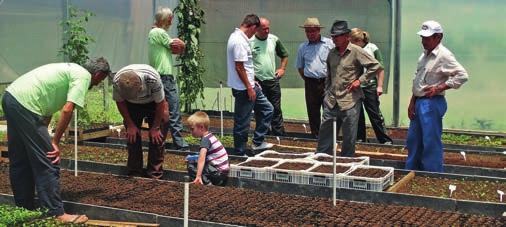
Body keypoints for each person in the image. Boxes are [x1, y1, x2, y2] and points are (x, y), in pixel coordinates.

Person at [1, 57, 110, 224]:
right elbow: (67, 110)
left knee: (20, 160)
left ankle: (24, 208)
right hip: (26, 106)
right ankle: (56, 213)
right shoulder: (83, 76)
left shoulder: (70, 70)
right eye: (101, 80)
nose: (97, 84)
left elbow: (49, 104)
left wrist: (44, 131)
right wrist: (55, 142)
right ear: (98, 74)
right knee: (49, 159)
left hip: (11, 97)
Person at [406, 20, 468, 172]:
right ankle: (412, 171)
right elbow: (418, 80)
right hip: (420, 101)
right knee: (414, 140)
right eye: (422, 38)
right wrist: (412, 101)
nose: (423, 41)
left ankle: (432, 174)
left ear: (438, 37)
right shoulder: (424, 56)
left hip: (432, 102)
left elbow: (462, 75)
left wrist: (440, 86)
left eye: (427, 38)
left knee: (430, 140)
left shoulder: (444, 55)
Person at [316, 20, 382, 157]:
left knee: (349, 136)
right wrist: (326, 93)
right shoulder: (332, 53)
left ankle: (346, 163)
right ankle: (322, 159)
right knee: (325, 132)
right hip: (332, 100)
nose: (334, 39)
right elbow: (329, 74)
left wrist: (360, 80)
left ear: (347, 36)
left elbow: (375, 66)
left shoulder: (356, 51)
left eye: (337, 36)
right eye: (333, 36)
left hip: (350, 100)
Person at [227, 14, 274, 156]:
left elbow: (245, 66)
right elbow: (239, 67)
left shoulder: (238, 37)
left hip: (250, 85)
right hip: (243, 88)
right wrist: (248, 86)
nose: (255, 33)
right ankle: (239, 152)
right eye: (255, 30)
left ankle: (257, 142)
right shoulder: (239, 41)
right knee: (242, 121)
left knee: (268, 109)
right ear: (252, 27)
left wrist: (252, 81)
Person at [112, 64, 169, 179]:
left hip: (153, 103)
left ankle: (154, 173)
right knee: (132, 136)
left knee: (157, 137)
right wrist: (130, 124)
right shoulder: (118, 81)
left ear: (141, 87)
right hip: (131, 106)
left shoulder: (152, 79)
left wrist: (156, 127)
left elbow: (160, 103)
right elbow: (120, 102)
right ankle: (134, 172)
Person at [148, 7, 188, 150]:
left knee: (160, 108)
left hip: (159, 76)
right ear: (164, 20)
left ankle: (160, 139)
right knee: (173, 108)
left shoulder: (154, 33)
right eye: (170, 20)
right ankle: (179, 143)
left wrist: (180, 47)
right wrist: (184, 45)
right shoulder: (159, 32)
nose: (171, 23)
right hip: (164, 77)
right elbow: (176, 47)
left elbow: (174, 50)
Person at [349, 28, 393, 144]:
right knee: (357, 114)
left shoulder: (372, 48)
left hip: (369, 86)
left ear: (358, 40)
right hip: (355, 87)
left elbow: (380, 68)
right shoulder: (351, 49)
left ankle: (384, 140)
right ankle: (360, 138)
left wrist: (380, 86)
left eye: (352, 41)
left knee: (374, 113)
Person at [295, 17, 335, 138]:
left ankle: (329, 136)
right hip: (311, 83)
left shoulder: (329, 44)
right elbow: (300, 67)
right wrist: (308, 78)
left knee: (329, 109)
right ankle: (316, 136)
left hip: (327, 82)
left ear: (318, 30)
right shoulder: (302, 47)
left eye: (313, 31)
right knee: (313, 111)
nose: (310, 34)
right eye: (308, 31)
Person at [250, 17, 289, 136]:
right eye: (264, 29)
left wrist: (282, 68)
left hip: (272, 80)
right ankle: (263, 133)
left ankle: (279, 133)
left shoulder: (274, 39)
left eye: (268, 28)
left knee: (276, 108)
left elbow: (284, 55)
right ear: (256, 29)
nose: (267, 31)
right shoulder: (250, 42)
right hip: (258, 81)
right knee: (260, 109)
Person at [186, 111, 229, 186]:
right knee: (194, 161)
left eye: (192, 129)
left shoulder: (205, 140)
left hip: (217, 172)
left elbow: (202, 158)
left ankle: (204, 184)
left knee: (191, 165)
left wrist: (198, 175)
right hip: (222, 172)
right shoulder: (210, 136)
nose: (191, 132)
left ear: (201, 127)